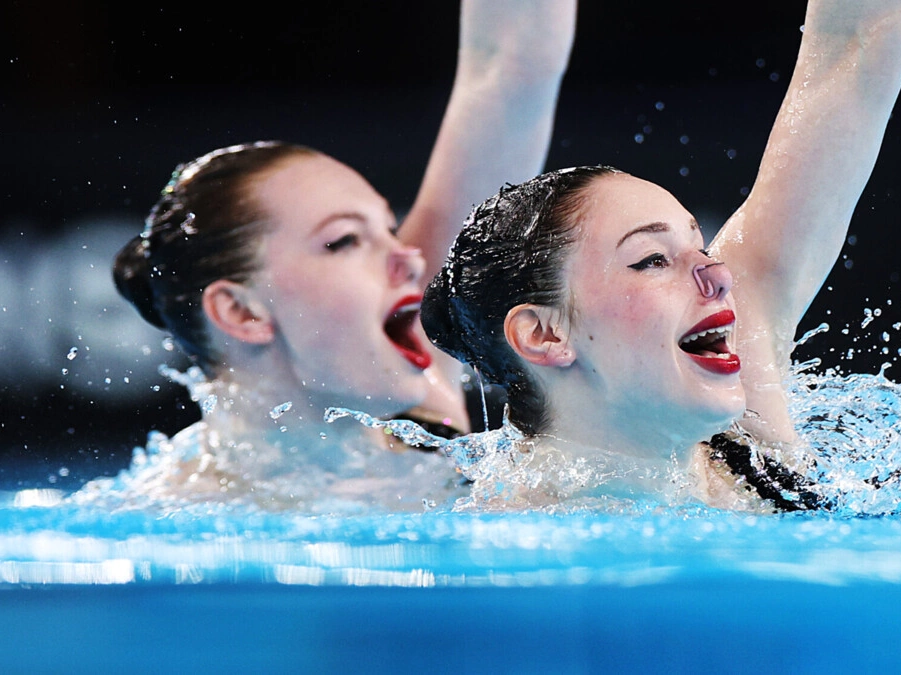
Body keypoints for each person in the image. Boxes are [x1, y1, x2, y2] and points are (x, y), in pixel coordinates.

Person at [422, 0, 901, 511]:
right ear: (544, 335)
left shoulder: (752, 437)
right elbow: (510, 63)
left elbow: (866, 38)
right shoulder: (492, 559)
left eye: (699, 245)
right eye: (653, 259)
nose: (718, 275)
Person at [93, 1, 577, 511]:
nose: (409, 260)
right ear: (241, 311)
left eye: (388, 230)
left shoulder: (423, 424)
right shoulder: (181, 517)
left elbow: (513, 67)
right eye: (344, 241)